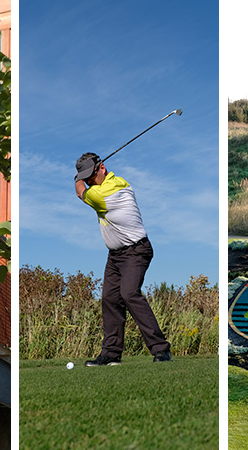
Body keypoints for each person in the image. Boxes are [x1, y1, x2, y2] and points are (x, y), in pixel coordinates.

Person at [74, 153, 172, 366]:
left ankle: (161, 350)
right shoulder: (117, 181)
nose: (89, 181)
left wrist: (77, 180)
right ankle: (111, 354)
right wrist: (84, 177)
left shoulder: (105, 193)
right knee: (110, 299)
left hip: (136, 251)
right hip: (116, 255)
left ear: (102, 168)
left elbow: (80, 192)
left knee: (129, 294)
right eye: (86, 178)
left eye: (91, 176)